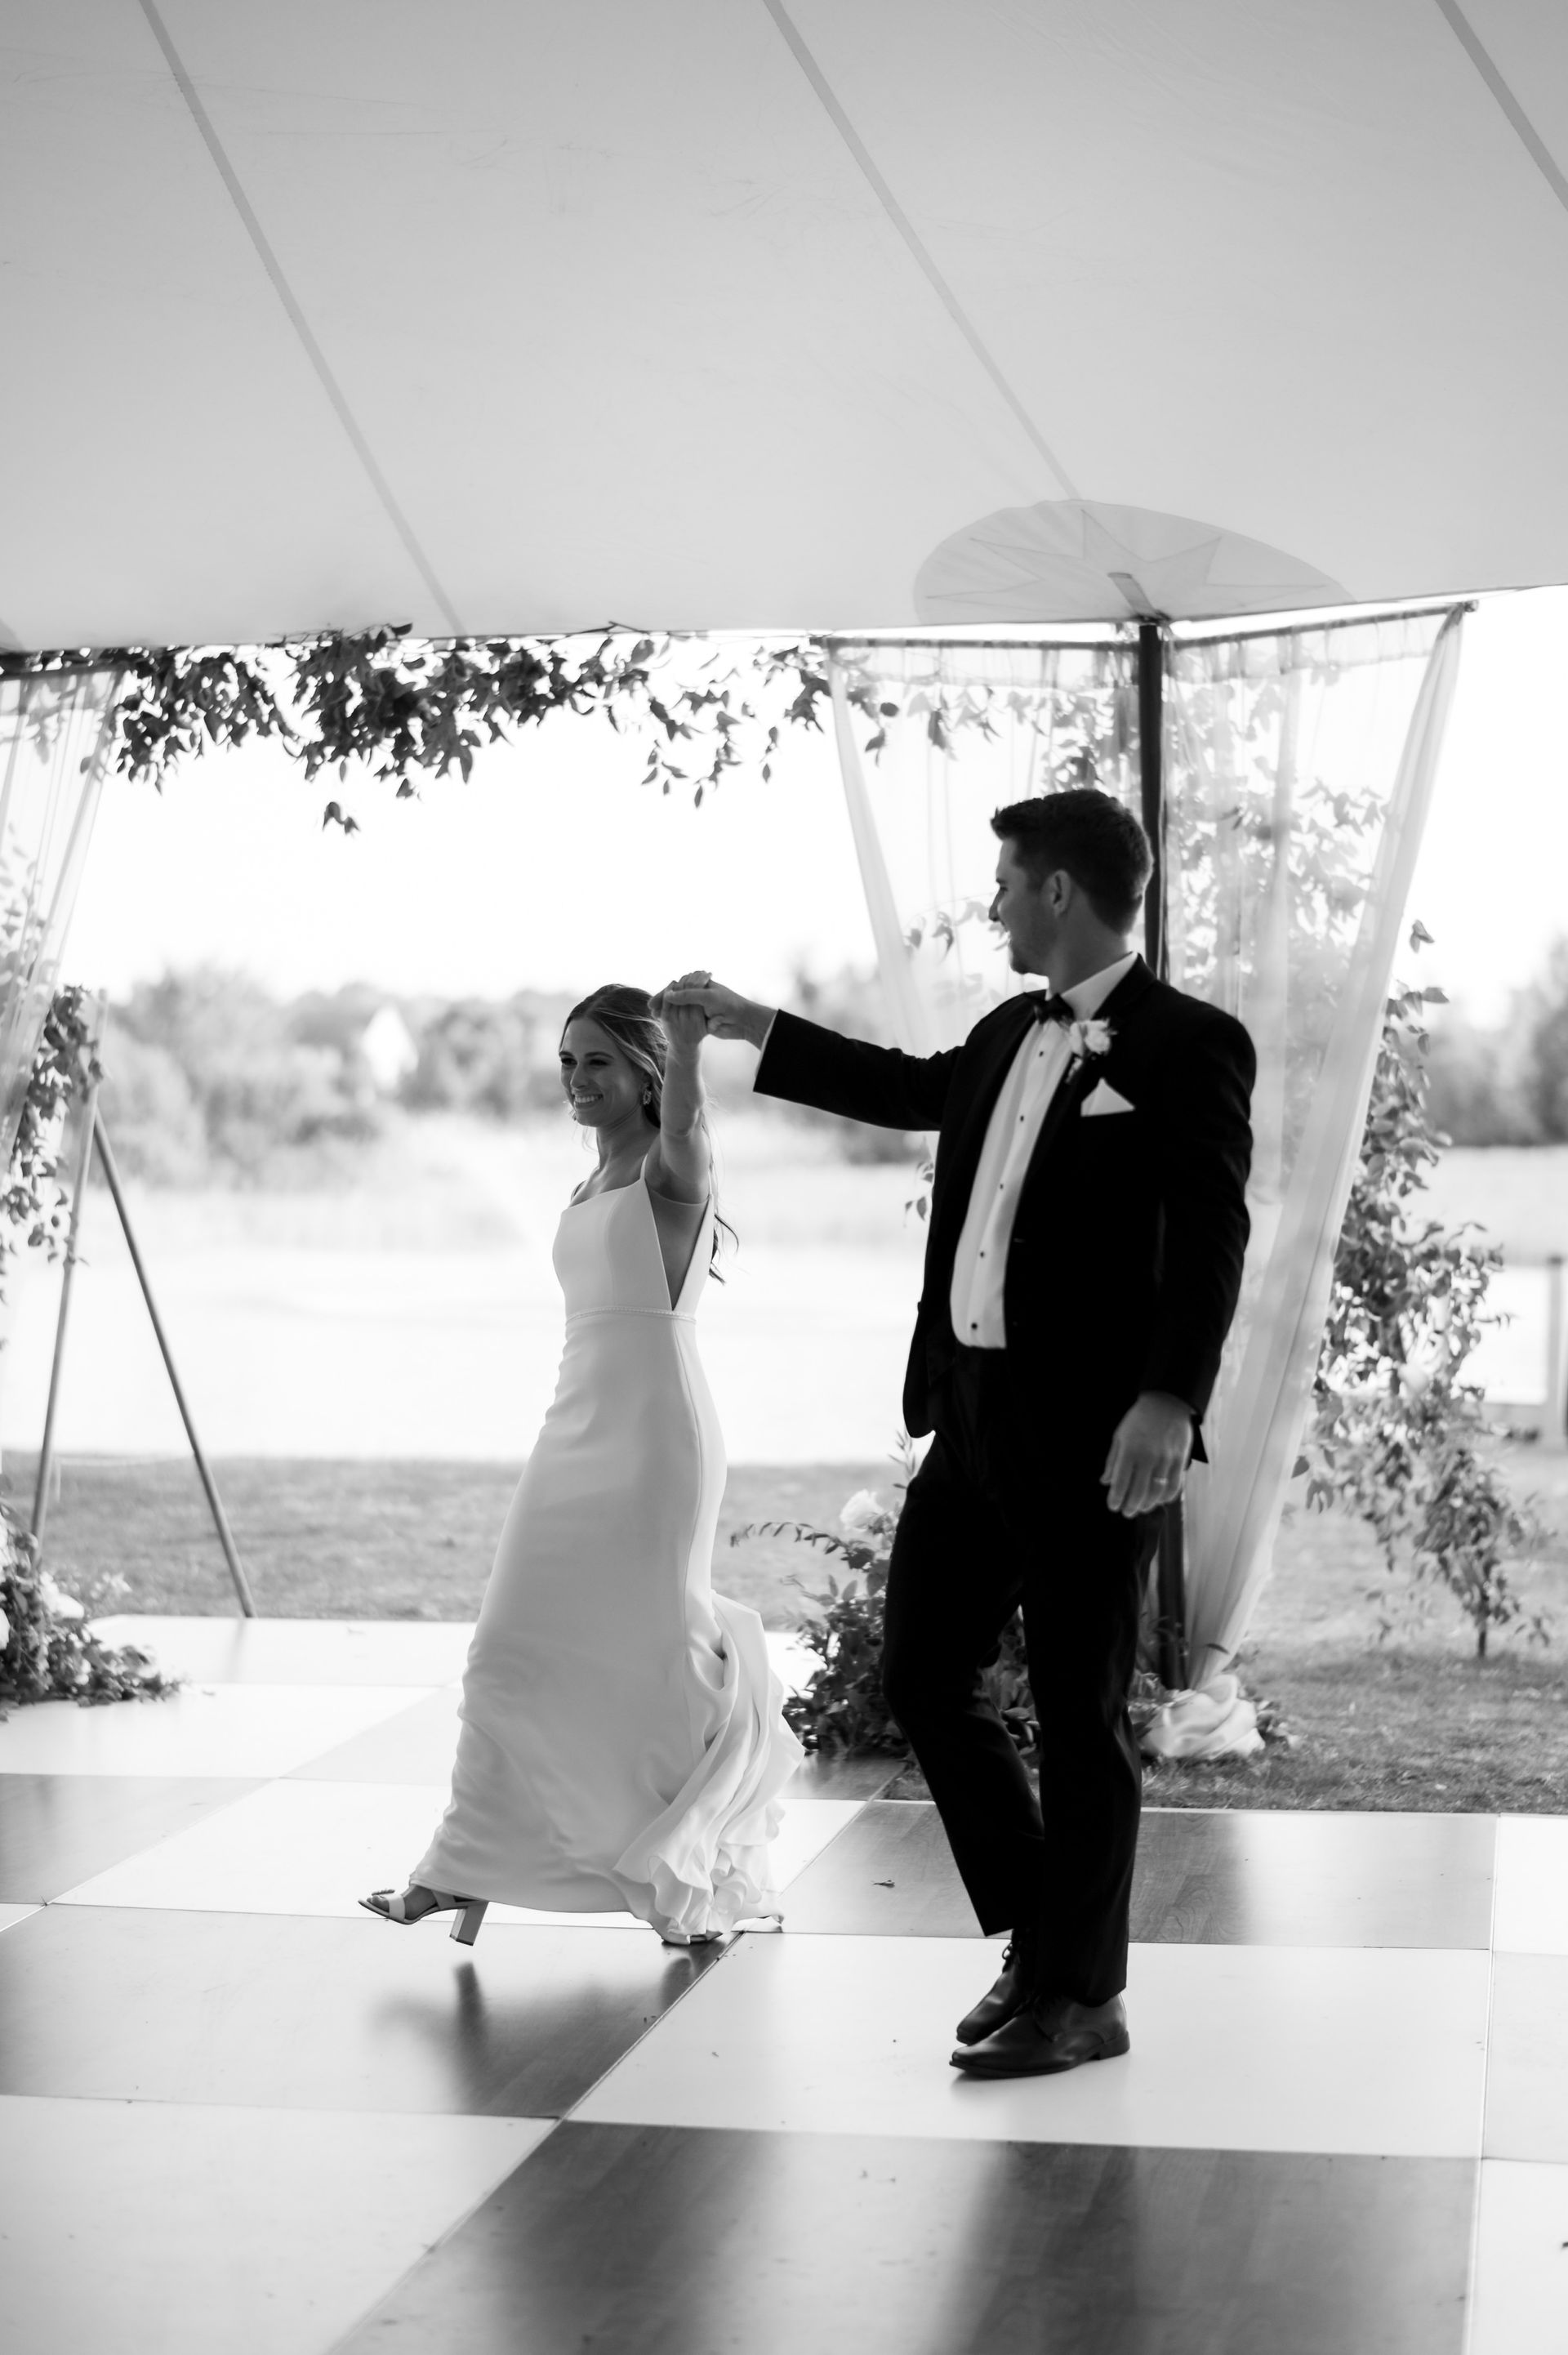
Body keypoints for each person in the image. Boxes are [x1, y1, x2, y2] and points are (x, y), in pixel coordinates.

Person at [656, 790, 1254, 2073]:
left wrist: (1171, 1396)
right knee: (925, 1669)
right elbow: (898, 1083)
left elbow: (1214, 1232)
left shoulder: (1189, 1044)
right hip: (972, 1419)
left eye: (1005, 881)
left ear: (1056, 890)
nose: (991, 903)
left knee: (1078, 1714)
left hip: (1103, 1436)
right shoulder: (1002, 1031)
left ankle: (1081, 2001)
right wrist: (757, 1024)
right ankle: (1048, 1938)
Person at [363, 983, 802, 1947]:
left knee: (650, 1663)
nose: (576, 1080)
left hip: (656, 1444)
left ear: (644, 1073)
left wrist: (688, 1048)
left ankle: (688, 1867)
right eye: (567, 1062)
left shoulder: (674, 1168)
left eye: (597, 1060)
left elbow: (687, 1121)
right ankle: (464, 1864)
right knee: (505, 1652)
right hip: (573, 1432)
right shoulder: (586, 1180)